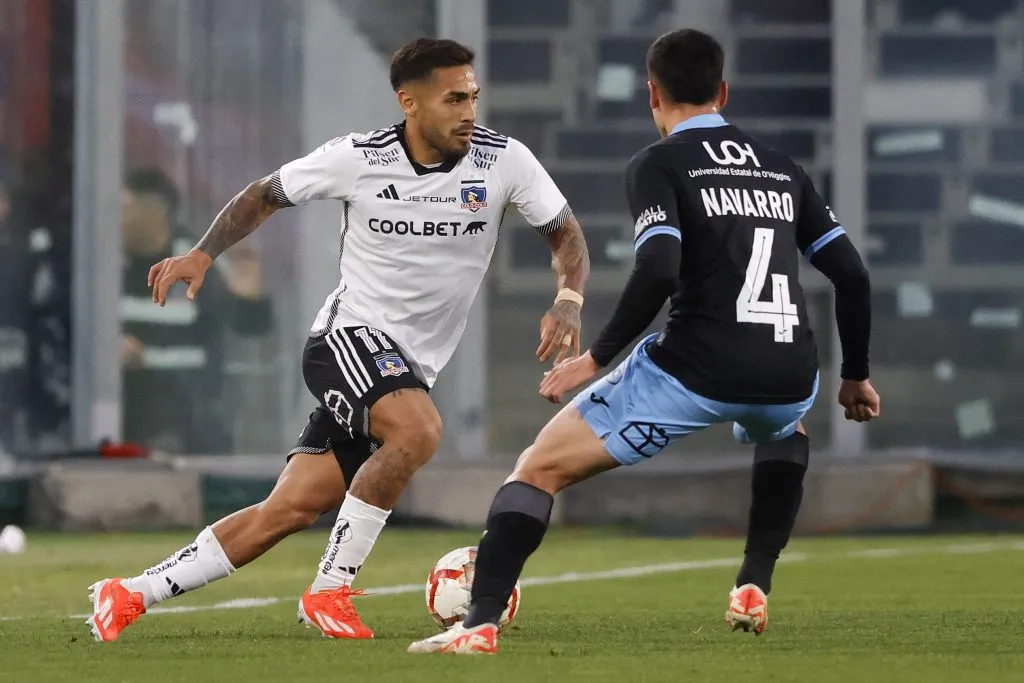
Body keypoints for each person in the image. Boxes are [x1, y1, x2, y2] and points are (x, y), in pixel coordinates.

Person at [88, 37, 590, 643]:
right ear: (409, 101)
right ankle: (330, 590)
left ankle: (130, 593)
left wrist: (568, 297)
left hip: (407, 366)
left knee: (291, 508)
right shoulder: (358, 156)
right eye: (454, 98)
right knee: (418, 430)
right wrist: (202, 253)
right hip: (346, 339)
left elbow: (565, 233)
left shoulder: (505, 161)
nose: (469, 112)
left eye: (473, 97)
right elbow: (264, 192)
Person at [407, 28, 879, 655]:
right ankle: (754, 582)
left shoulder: (658, 164)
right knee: (783, 430)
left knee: (537, 470)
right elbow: (851, 273)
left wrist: (595, 361)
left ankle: (481, 622)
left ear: (652, 94)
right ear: (724, 91)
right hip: (790, 370)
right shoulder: (781, 167)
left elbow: (659, 269)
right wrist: (856, 374)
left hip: (694, 370)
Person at [120, 168, 273, 453]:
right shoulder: (103, 264)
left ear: (155, 212)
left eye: (125, 209)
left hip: (189, 425)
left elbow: (249, 329)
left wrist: (250, 297)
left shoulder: (197, 261)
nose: (116, 220)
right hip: (122, 421)